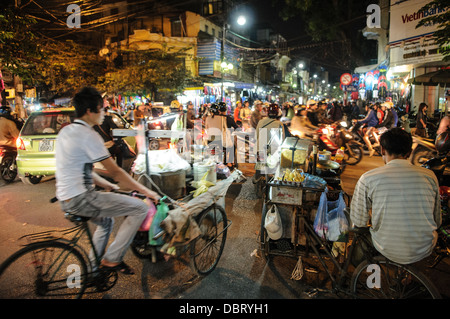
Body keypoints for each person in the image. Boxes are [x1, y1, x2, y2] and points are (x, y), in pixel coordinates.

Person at [55, 87, 160, 275]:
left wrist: (106, 185)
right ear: (90, 111)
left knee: (106, 222)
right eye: (102, 109)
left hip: (66, 198)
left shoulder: (66, 131)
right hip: (82, 198)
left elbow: (80, 170)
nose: (104, 113)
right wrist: (147, 192)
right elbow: (116, 172)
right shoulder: (89, 135)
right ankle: (112, 260)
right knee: (140, 208)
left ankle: (92, 270)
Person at [350, 128, 441, 265]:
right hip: (424, 248)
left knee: (359, 240)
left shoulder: (368, 178)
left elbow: (359, 221)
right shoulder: (429, 176)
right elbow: (437, 220)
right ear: (410, 152)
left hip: (386, 247)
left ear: (382, 150)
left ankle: (363, 278)